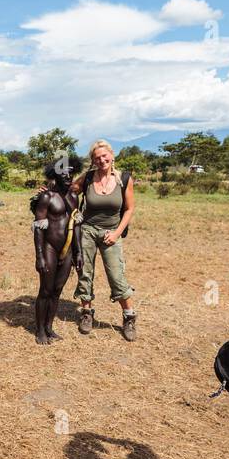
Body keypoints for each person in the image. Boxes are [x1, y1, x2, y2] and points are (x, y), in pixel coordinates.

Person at [72, 140, 137, 340]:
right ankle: (86, 313)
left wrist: (116, 233)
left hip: (111, 233)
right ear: (92, 161)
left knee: (116, 276)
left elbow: (129, 209)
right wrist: (48, 189)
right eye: (96, 158)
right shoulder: (88, 178)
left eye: (104, 156)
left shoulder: (124, 179)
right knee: (85, 272)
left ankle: (129, 317)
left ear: (112, 155)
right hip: (88, 231)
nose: (101, 160)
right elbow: (70, 190)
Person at [31, 155, 84, 344]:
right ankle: (39, 331)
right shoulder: (47, 197)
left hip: (68, 249)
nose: (68, 177)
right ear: (56, 175)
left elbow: (76, 225)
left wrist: (78, 253)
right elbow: (38, 227)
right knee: (45, 290)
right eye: (64, 174)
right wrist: (40, 257)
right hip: (49, 248)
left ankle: (49, 327)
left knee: (57, 290)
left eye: (71, 174)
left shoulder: (74, 197)